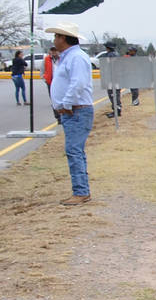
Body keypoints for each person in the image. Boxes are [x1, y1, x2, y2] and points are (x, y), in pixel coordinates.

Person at [46, 21, 95, 206]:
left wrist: (66, 103)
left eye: (57, 36)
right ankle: (81, 189)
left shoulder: (76, 57)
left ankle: (81, 191)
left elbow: (78, 83)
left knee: (74, 150)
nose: (54, 39)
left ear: (63, 38)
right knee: (75, 151)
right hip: (71, 111)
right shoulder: (68, 57)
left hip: (76, 110)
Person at [100, 42, 121, 117]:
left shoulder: (110, 55)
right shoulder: (116, 54)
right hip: (116, 78)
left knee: (113, 95)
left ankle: (117, 111)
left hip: (112, 79)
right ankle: (116, 110)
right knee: (115, 95)